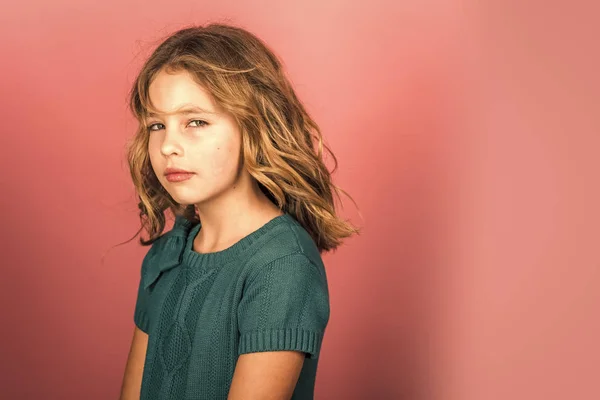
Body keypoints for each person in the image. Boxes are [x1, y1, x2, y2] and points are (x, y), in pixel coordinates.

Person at [119, 23, 360, 400]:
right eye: (157, 125)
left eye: (195, 121)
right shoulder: (165, 256)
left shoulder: (281, 266)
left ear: (254, 125)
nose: (168, 146)